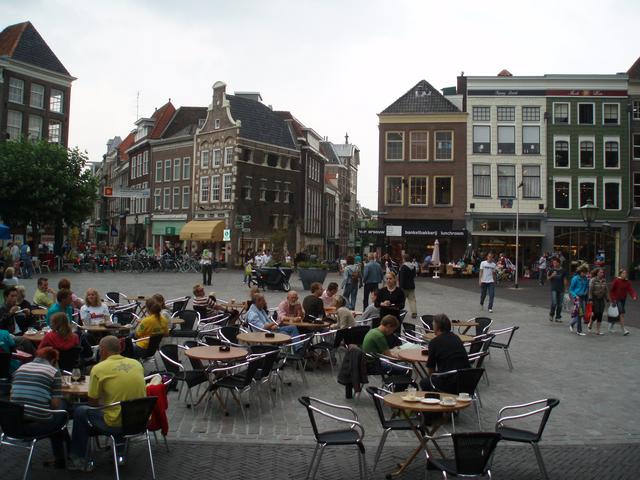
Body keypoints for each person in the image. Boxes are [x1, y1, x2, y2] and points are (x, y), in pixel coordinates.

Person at [68, 336, 146, 471]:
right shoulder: (136, 364)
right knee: (119, 407)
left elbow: (92, 403)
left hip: (115, 423)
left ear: (102, 351)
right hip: (139, 420)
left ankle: (78, 458)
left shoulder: (99, 369)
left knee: (80, 411)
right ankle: (119, 454)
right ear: (120, 348)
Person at [10, 347, 70, 469]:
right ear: (53, 360)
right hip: (38, 423)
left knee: (58, 420)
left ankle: (63, 456)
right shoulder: (53, 372)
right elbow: (55, 405)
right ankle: (71, 452)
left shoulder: (20, 368)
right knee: (64, 409)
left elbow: (13, 396)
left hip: (14, 423)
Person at [419, 314, 471, 393]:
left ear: (437, 327)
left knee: (424, 382)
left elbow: (431, 368)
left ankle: (433, 402)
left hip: (449, 382)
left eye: (433, 325)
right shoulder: (456, 338)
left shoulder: (434, 342)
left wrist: (433, 378)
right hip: (467, 380)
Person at [609, 269, 637, 336]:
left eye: (626, 273)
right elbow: (611, 290)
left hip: (623, 299)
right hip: (616, 299)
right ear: (620, 274)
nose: (625, 274)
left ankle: (611, 326)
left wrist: (634, 296)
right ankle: (624, 329)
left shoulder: (627, 282)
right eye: (623, 273)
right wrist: (613, 299)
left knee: (619, 314)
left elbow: (630, 289)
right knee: (621, 314)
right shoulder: (616, 281)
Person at [587, 268, 609, 335]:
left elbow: (606, 291)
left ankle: (598, 330)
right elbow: (590, 290)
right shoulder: (593, 280)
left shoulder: (604, 281)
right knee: (596, 313)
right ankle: (590, 323)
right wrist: (590, 299)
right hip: (594, 299)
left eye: (602, 272)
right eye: (600, 272)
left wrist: (607, 298)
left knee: (600, 314)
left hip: (601, 299)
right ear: (597, 273)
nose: (602, 274)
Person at [568, 264, 589, 336]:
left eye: (585, 272)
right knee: (580, 313)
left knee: (581, 313)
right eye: (584, 272)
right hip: (577, 298)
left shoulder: (585, 278)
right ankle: (579, 331)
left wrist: (585, 292)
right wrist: (575, 295)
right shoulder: (575, 278)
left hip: (583, 297)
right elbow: (571, 289)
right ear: (580, 272)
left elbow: (586, 287)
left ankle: (572, 323)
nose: (585, 274)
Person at [547, 257, 568, 322]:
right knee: (554, 302)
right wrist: (552, 276)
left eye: (555, 263)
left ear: (559, 263)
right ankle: (551, 315)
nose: (554, 264)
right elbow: (547, 278)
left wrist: (566, 288)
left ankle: (558, 317)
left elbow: (565, 279)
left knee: (560, 304)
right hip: (554, 288)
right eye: (553, 263)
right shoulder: (551, 270)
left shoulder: (563, 270)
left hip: (561, 288)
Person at [398, 254, 418, 319]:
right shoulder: (413, 266)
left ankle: (400, 311)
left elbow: (402, 278)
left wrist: (400, 286)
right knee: (412, 300)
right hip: (411, 285)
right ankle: (414, 312)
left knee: (401, 299)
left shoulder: (403, 267)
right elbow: (414, 275)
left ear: (404, 259)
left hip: (404, 286)